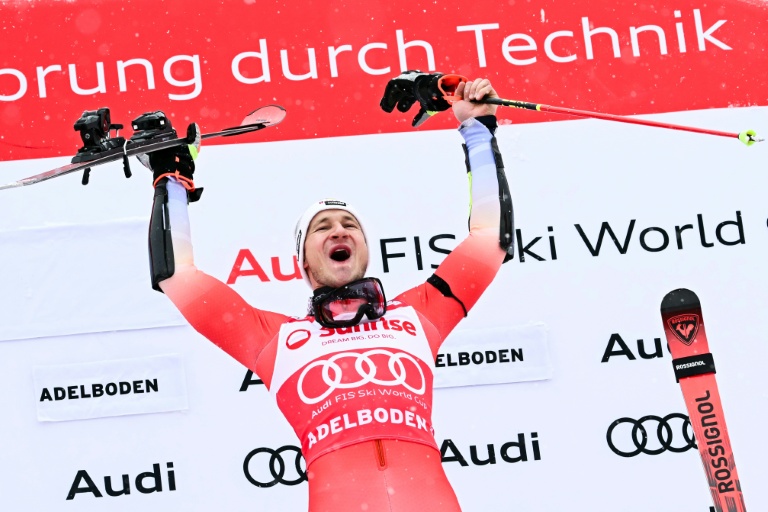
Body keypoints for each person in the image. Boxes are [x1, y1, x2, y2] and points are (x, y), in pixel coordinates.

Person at [142, 71, 513, 512]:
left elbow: (489, 238)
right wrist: (171, 178)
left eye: (349, 224)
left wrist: (477, 127)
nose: (339, 230)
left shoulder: (419, 315)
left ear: (364, 249)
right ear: (303, 261)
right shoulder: (274, 340)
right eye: (323, 227)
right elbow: (178, 277)